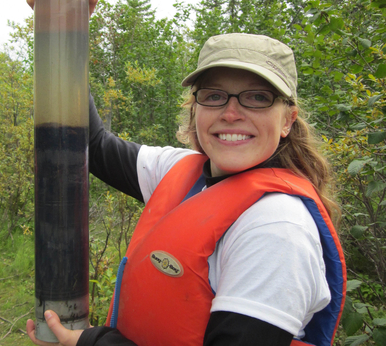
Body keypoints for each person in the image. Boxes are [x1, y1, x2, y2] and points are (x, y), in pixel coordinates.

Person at [26, 2, 347, 345]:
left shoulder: (277, 228)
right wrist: (64, 23)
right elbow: (93, 144)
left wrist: (91, 343)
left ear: (287, 119)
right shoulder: (182, 170)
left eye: (257, 97)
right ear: (195, 110)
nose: (231, 112)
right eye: (214, 96)